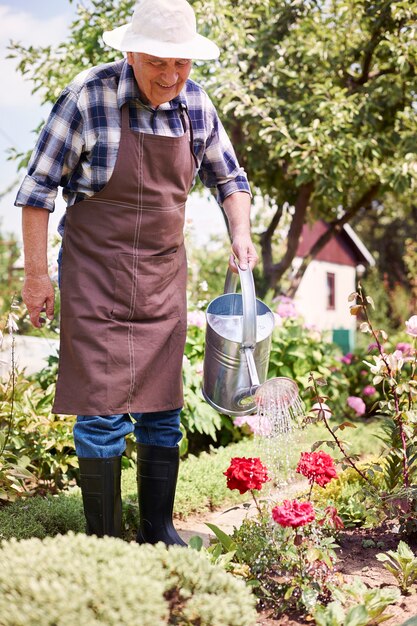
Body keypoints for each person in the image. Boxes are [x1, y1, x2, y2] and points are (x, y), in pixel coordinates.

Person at [15, 0, 258, 545]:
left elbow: (231, 180)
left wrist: (240, 232)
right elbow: (36, 193)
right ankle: (106, 542)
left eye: (182, 64)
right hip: (94, 279)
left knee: (163, 411)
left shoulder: (195, 104)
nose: (171, 76)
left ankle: (158, 530)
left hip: (161, 280)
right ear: (131, 52)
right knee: (101, 414)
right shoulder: (86, 97)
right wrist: (36, 277)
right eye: (157, 62)